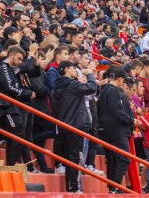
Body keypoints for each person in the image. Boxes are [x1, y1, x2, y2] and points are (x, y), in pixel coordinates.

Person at [52, 60, 97, 193]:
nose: (75, 70)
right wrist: (90, 75)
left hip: (64, 125)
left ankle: (70, 187)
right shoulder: (71, 84)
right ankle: (75, 188)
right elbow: (91, 87)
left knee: (69, 158)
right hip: (75, 125)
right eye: (73, 68)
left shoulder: (58, 85)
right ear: (66, 69)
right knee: (74, 158)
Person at [97, 65, 138, 194]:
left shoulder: (104, 90)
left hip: (107, 129)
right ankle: (114, 188)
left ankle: (112, 187)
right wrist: (132, 120)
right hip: (116, 130)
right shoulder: (112, 91)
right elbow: (117, 112)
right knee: (124, 158)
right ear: (119, 79)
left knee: (114, 159)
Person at [0, 46, 36, 166]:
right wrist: (27, 93)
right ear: (11, 56)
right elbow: (9, 87)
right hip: (5, 106)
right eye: (19, 59)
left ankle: (12, 163)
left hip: (11, 105)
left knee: (18, 132)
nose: (20, 62)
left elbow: (30, 69)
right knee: (17, 131)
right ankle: (11, 163)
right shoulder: (3, 67)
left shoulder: (12, 68)